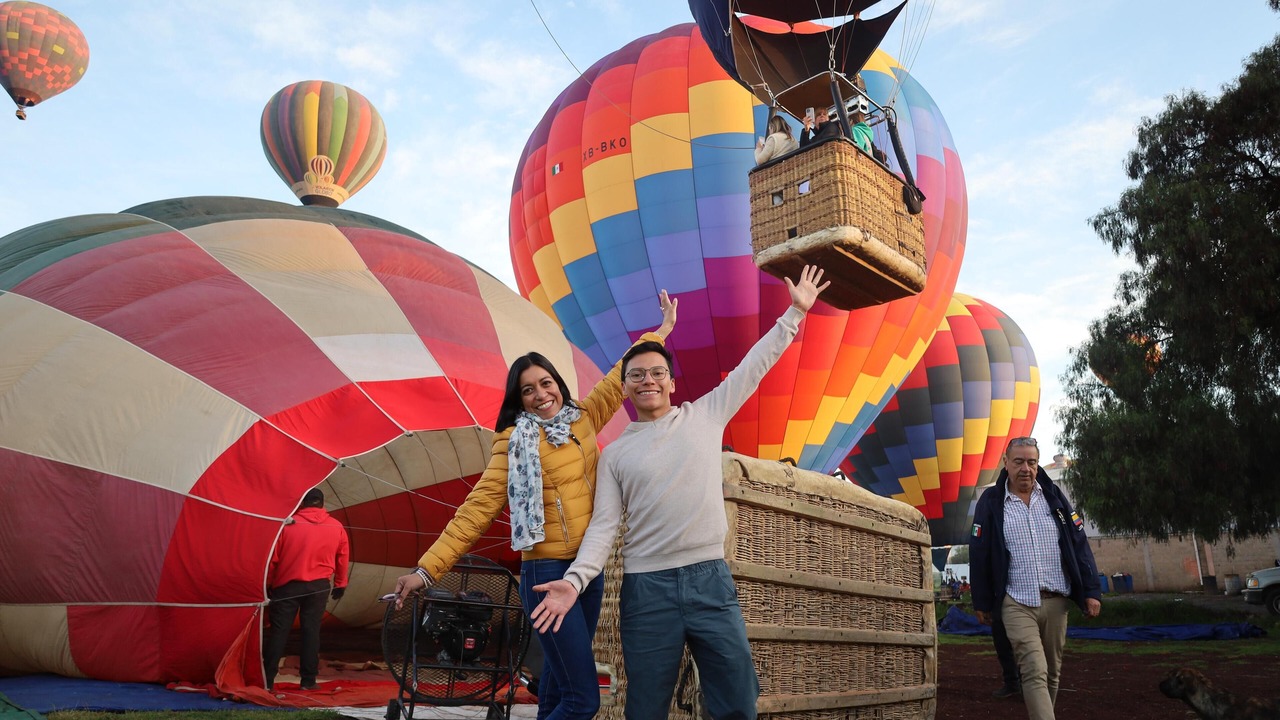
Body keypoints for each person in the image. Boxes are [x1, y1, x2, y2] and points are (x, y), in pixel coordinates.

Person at [529, 265, 831, 720]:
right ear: (625, 388)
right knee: (646, 708)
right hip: (647, 590)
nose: (648, 380)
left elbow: (753, 369)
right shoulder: (616, 455)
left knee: (736, 699)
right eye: (637, 375)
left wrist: (795, 313)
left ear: (671, 382)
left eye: (657, 372)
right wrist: (574, 582)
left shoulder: (705, 415)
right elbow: (604, 527)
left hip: (710, 579)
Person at [391, 293, 677, 720]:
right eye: (528, 390)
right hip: (545, 573)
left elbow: (623, 372)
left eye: (546, 383)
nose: (541, 394)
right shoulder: (512, 443)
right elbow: (476, 510)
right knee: (583, 699)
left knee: (559, 689)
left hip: (586, 573)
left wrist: (661, 332)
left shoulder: (583, 418)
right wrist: (425, 571)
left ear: (558, 384)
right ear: (519, 399)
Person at [969, 437, 1102, 720]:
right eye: (1018, 462)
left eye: (1031, 462)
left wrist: (1091, 590)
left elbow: (1079, 544)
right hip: (1016, 601)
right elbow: (979, 552)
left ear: (1038, 464)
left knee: (1052, 672)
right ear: (1006, 463)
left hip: (1056, 600)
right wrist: (981, 600)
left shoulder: (1054, 497)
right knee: (1033, 669)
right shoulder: (991, 502)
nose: (1025, 469)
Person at [263, 487, 350, 691]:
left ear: (302, 503)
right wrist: (341, 583)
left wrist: (268, 585)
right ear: (323, 503)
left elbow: (273, 559)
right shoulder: (336, 526)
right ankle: (308, 681)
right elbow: (342, 556)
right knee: (311, 632)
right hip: (318, 587)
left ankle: (267, 680)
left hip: (287, 586)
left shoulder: (288, 524)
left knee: (278, 633)